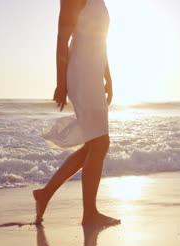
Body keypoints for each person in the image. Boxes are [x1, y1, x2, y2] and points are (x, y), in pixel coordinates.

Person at [33, 0, 120, 226]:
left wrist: (108, 77)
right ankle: (89, 213)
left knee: (93, 146)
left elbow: (101, 40)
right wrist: (61, 83)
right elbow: (63, 39)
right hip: (81, 74)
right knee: (100, 143)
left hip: (94, 72)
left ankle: (44, 194)